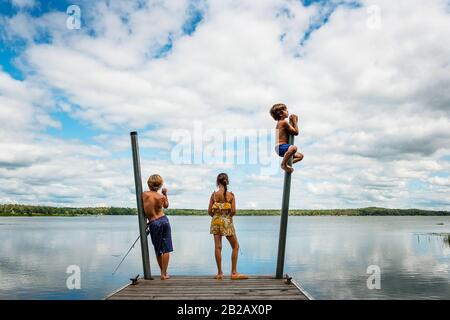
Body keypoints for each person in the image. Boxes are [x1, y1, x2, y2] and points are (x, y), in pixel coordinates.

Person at [208, 173, 248, 280]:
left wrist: (217, 216)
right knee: (235, 246)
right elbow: (233, 211)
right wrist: (226, 217)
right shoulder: (231, 195)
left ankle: (220, 273)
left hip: (216, 221)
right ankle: (234, 272)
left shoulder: (214, 195)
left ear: (217, 182)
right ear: (227, 181)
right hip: (227, 221)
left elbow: (209, 211)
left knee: (218, 247)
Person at [142, 174, 173, 280]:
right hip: (164, 220)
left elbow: (143, 209)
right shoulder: (161, 197)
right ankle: (164, 274)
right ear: (160, 185)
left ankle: (163, 273)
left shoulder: (144, 194)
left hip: (154, 222)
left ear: (149, 184)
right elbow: (166, 205)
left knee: (158, 249)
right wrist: (165, 194)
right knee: (166, 249)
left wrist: (145, 221)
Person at [270, 103, 304, 173]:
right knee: (293, 148)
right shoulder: (283, 122)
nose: (287, 111)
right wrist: (294, 121)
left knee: (300, 156)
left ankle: (287, 163)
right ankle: (283, 164)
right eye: (286, 110)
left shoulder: (281, 123)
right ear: (281, 114)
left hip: (283, 148)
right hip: (280, 147)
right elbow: (295, 132)